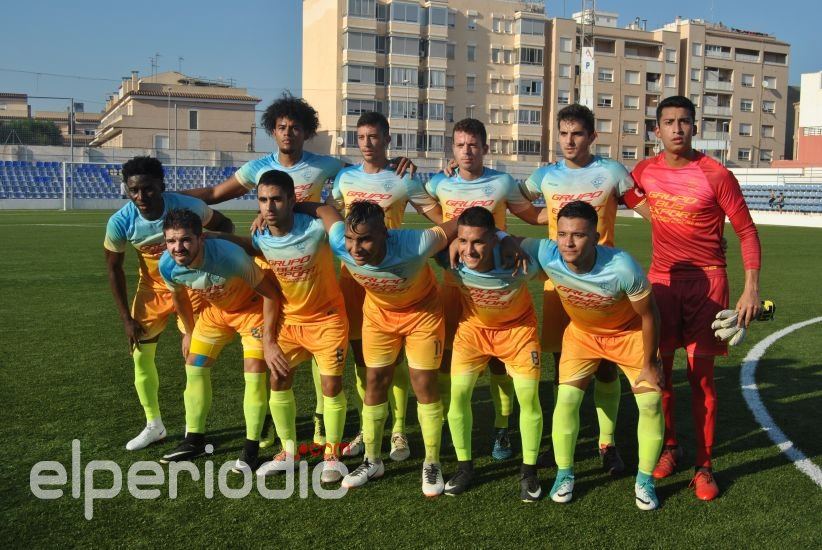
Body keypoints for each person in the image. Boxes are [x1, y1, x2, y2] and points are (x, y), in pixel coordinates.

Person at [182, 93, 413, 449]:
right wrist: (169, 197)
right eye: (281, 127)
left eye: (295, 127)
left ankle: (326, 418)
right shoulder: (257, 168)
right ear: (272, 131)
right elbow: (214, 192)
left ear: (306, 132)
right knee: (268, 351)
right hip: (271, 267)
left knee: (336, 350)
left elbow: (366, 172)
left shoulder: (326, 166)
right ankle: (266, 422)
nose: (288, 133)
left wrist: (394, 161)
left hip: (317, 264)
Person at [623, 95, 762, 501]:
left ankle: (704, 466)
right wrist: (657, 217)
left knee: (701, 379)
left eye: (684, 121)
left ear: (695, 127)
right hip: (662, 284)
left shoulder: (717, 174)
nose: (677, 128)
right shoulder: (644, 170)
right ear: (657, 130)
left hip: (709, 285)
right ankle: (671, 447)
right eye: (669, 122)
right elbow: (623, 192)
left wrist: (751, 287)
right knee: (660, 372)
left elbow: (746, 231)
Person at [521, 103, 647, 474]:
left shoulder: (611, 172)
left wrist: (692, 236)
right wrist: (544, 216)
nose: (569, 140)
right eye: (563, 133)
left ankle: (607, 444)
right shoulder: (544, 176)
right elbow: (512, 201)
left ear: (592, 136)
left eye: (577, 133)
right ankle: (563, 442)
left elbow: (647, 209)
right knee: (562, 365)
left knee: (606, 367)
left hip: (605, 285)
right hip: (559, 285)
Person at [520, 201, 665, 510]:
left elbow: (650, 314)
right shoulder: (547, 252)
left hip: (628, 335)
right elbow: (505, 239)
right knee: (566, 400)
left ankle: (644, 480)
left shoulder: (622, 267)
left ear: (596, 237)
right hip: (582, 335)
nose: (568, 243)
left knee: (651, 403)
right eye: (562, 234)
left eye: (578, 235)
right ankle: (565, 474)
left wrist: (651, 363)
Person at [208, 170, 350, 483]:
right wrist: (213, 237)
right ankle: (289, 452)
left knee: (330, 386)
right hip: (290, 321)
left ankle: (332, 455)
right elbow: (250, 246)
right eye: (263, 200)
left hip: (327, 320)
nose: (269, 206)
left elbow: (330, 213)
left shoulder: (315, 229)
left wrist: (308, 206)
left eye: (276, 199)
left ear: (291, 200)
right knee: (278, 379)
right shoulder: (262, 236)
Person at [310, 200, 458, 496]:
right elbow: (324, 209)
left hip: (422, 314)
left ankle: (432, 463)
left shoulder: (416, 243)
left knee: (423, 382)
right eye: (351, 239)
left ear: (385, 233)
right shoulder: (340, 242)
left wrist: (493, 238)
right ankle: (372, 461)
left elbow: (460, 222)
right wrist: (273, 214)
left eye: (365, 239)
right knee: (375, 379)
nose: (355, 248)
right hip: (378, 317)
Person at [427, 117, 545, 460]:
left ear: (485, 148)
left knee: (497, 362)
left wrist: (564, 206)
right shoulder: (438, 183)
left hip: (496, 282)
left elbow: (530, 215)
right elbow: (426, 208)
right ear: (452, 149)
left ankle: (501, 427)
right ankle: (448, 425)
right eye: (460, 145)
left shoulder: (502, 182)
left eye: (473, 145)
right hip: (455, 283)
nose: (467, 151)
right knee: (446, 358)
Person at [330, 111, 443, 462]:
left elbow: (440, 217)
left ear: (387, 139)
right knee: (365, 359)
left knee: (399, 359)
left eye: (374, 136)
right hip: (355, 276)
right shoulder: (345, 178)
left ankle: (398, 429)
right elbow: (329, 212)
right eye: (361, 137)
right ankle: (369, 429)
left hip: (396, 274)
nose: (367, 143)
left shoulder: (403, 178)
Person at [104, 156, 233, 451]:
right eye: (133, 190)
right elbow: (113, 268)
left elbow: (223, 223)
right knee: (140, 358)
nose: (141, 196)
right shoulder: (121, 221)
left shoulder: (188, 207)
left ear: (161, 186)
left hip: (192, 290)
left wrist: (214, 255)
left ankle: (192, 431)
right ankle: (154, 426)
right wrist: (126, 319)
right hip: (152, 292)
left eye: (147, 189)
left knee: (195, 359)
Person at [156, 208, 285, 469]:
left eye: (185, 240)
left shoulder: (230, 257)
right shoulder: (168, 265)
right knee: (194, 365)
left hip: (252, 311)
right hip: (217, 313)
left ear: (200, 238)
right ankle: (194, 440)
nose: (178, 248)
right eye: (171, 241)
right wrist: (189, 332)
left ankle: (250, 449)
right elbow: (179, 298)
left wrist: (269, 339)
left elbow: (271, 294)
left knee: (253, 372)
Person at [439, 207, 543, 501]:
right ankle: (464, 468)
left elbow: (557, 254)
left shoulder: (520, 260)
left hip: (518, 332)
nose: (469, 250)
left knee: (528, 398)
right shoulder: (450, 258)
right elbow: (419, 240)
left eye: (478, 242)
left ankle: (529, 472)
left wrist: (507, 237)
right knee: (458, 395)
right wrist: (454, 242)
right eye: (464, 241)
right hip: (473, 331)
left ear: (494, 240)